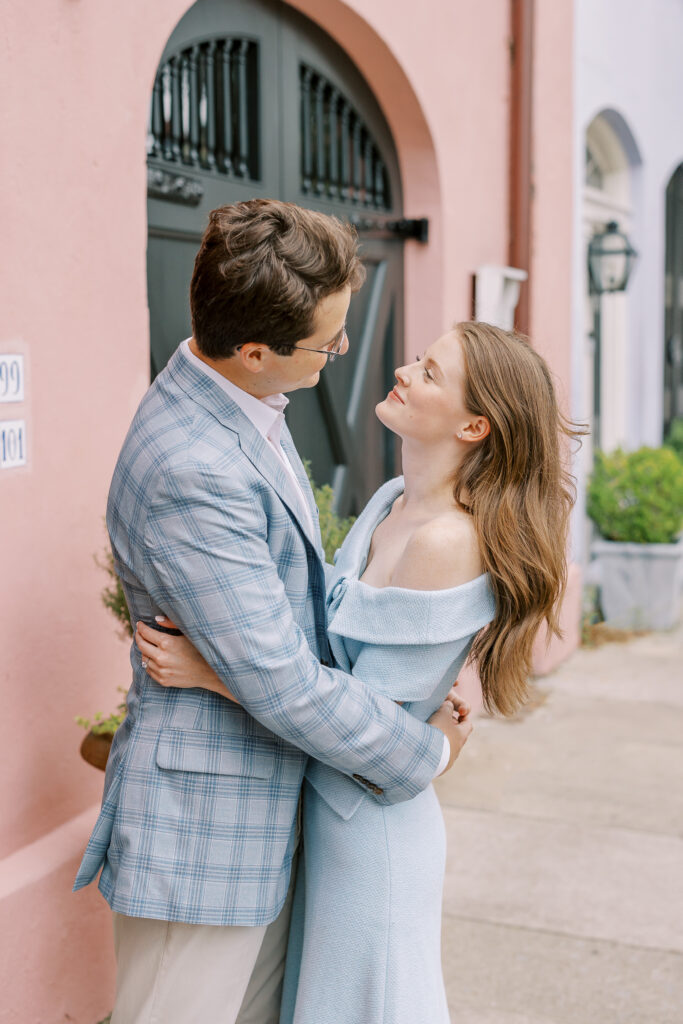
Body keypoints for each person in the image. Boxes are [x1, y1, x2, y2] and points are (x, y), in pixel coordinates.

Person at [73, 199, 470, 1024]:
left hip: (260, 820)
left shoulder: (237, 399)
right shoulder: (196, 466)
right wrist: (422, 752)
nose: (345, 350)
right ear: (255, 351)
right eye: (328, 342)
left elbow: (292, 609)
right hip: (205, 844)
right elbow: (284, 683)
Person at [136, 320, 579, 1022]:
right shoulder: (391, 502)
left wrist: (217, 671)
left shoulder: (445, 542)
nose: (404, 371)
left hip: (368, 831)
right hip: (327, 814)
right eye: (418, 360)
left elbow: (356, 723)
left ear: (472, 427)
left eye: (430, 373)